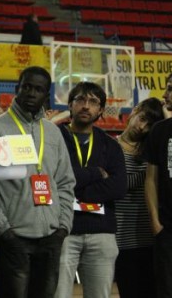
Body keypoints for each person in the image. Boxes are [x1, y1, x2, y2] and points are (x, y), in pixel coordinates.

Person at [0, 66, 76, 298]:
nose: (31, 93)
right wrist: (4, 230)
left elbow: (66, 183)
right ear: (18, 88)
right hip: (14, 238)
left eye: (38, 89)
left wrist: (62, 227)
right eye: (26, 87)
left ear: (45, 95)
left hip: (51, 238)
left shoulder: (53, 132)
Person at [54, 82, 127, 298]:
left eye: (93, 102)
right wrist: (95, 173)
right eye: (80, 100)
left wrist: (75, 190)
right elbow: (54, 178)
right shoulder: (54, 138)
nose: (86, 106)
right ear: (69, 105)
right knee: (58, 295)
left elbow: (118, 187)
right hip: (62, 230)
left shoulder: (111, 145)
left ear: (102, 110)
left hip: (101, 233)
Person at [115, 98, 165, 298]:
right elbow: (117, 187)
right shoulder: (110, 148)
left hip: (152, 237)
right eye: (141, 118)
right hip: (122, 239)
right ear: (134, 110)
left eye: (149, 125)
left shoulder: (152, 150)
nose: (142, 127)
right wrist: (150, 172)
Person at [144, 69, 172, 297]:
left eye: (171, 88)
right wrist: (155, 224)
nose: (165, 94)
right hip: (170, 233)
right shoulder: (161, 131)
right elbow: (151, 179)